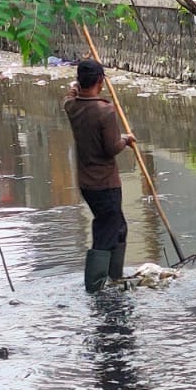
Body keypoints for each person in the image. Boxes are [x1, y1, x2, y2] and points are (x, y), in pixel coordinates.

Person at [63, 59, 136, 292]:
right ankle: (95, 288)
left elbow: (69, 96)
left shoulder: (72, 106)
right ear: (99, 81)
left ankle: (115, 277)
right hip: (104, 183)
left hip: (87, 183)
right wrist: (125, 140)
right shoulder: (105, 111)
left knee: (119, 226)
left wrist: (75, 87)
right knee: (107, 230)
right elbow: (111, 147)